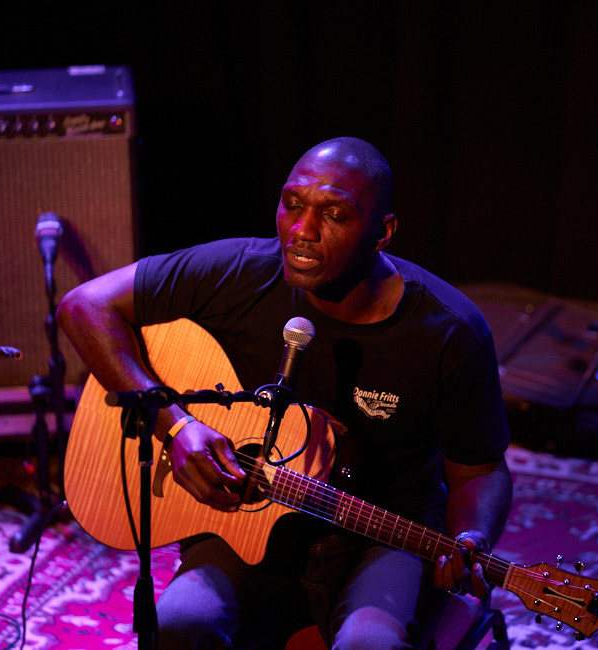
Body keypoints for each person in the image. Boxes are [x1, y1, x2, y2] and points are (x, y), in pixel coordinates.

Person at [56, 136, 512, 649]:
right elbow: (83, 306)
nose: (301, 231)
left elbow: (480, 470)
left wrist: (471, 537)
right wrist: (175, 424)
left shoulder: (449, 332)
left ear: (383, 232)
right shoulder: (237, 273)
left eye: (334, 214)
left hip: (376, 537)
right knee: (181, 626)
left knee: (371, 646)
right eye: (292, 204)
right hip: (244, 518)